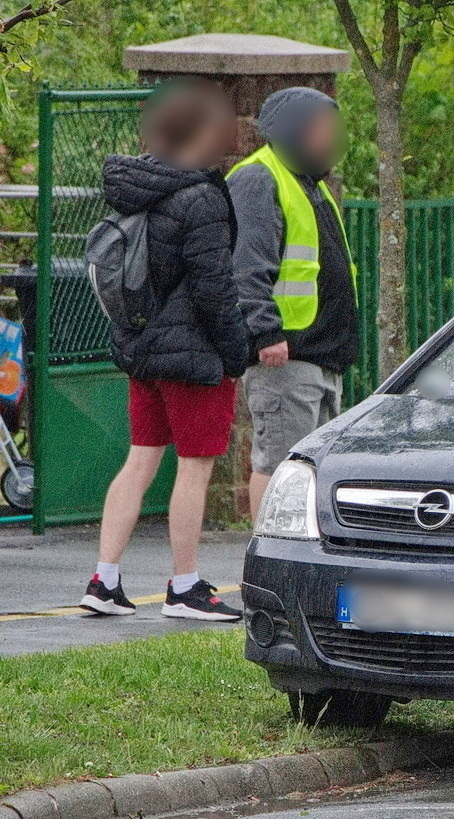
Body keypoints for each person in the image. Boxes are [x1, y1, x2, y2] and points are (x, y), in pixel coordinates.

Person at [80, 77, 249, 621]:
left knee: (140, 460)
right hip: (193, 355)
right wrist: (235, 352)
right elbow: (213, 286)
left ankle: (103, 581)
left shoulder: (137, 184)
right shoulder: (199, 195)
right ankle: (185, 587)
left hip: (142, 350)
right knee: (194, 468)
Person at [228, 87, 358, 519]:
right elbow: (246, 265)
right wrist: (265, 331)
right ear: (292, 131)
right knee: (280, 465)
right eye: (319, 128)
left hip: (319, 354)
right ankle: (267, 554)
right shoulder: (259, 178)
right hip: (287, 356)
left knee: (308, 470)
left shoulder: (308, 183)